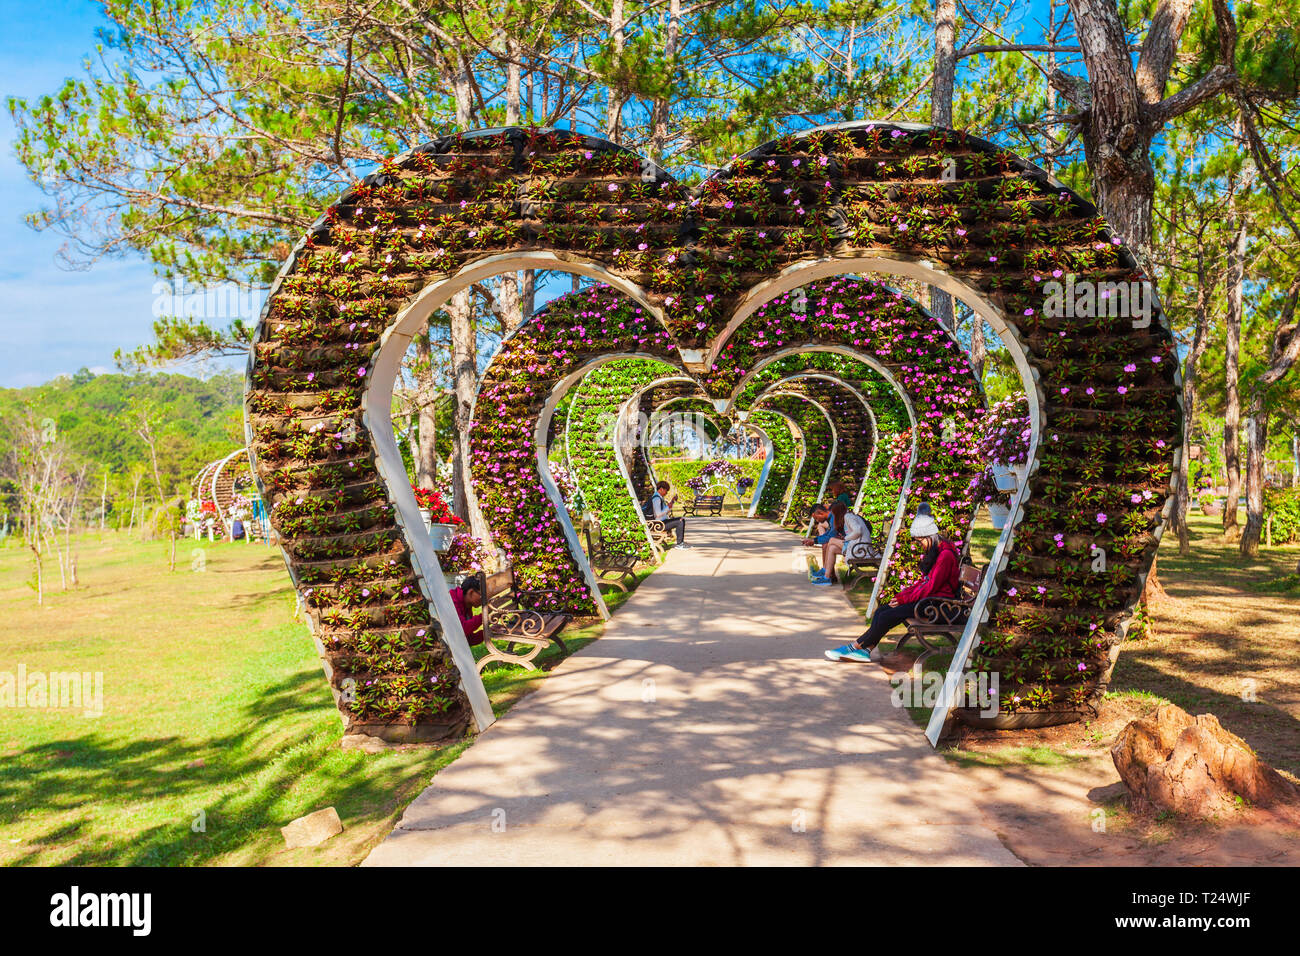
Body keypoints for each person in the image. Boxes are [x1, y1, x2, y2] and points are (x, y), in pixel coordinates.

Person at [824, 509, 960, 662]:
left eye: (920, 541)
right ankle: (866, 650)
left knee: (888, 614)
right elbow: (925, 582)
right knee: (883, 611)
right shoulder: (939, 551)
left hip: (940, 606)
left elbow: (930, 586)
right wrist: (901, 597)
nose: (919, 545)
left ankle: (855, 647)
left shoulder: (945, 555)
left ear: (929, 536)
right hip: (932, 601)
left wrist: (904, 600)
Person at [811, 502, 869, 586]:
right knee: (832, 548)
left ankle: (825, 570)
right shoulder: (846, 517)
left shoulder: (848, 517)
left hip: (860, 547)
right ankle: (827, 577)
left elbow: (858, 530)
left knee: (831, 540)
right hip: (856, 546)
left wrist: (846, 538)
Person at [645, 480, 689, 548]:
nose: (666, 493)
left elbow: (665, 511)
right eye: (666, 490)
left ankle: (680, 543)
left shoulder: (659, 497)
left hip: (661, 522)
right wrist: (668, 507)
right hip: (659, 524)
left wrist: (672, 502)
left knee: (681, 519)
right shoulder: (656, 499)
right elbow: (658, 514)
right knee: (680, 521)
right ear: (661, 489)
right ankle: (679, 544)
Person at [450, 572, 486, 646]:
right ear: (471, 592)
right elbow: (463, 629)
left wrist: (489, 631)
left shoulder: (467, 605)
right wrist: (485, 616)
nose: (484, 600)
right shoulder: (453, 601)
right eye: (482, 596)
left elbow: (468, 639)